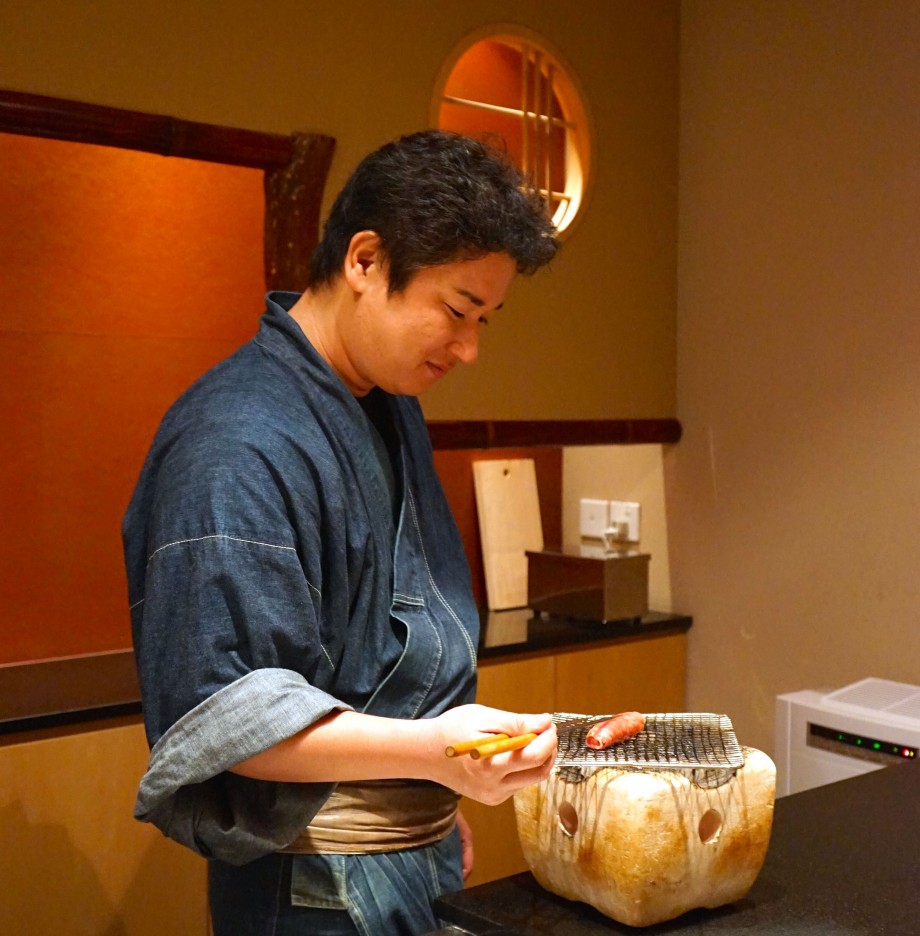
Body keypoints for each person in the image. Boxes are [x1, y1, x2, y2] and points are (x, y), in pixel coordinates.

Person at [122, 129, 559, 936]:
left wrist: (426, 794)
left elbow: (400, 652)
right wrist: (431, 753)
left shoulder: (386, 405)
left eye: (486, 320)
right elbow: (232, 717)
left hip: (405, 849)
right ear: (364, 261)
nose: (468, 348)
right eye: (458, 310)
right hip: (310, 889)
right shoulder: (235, 440)